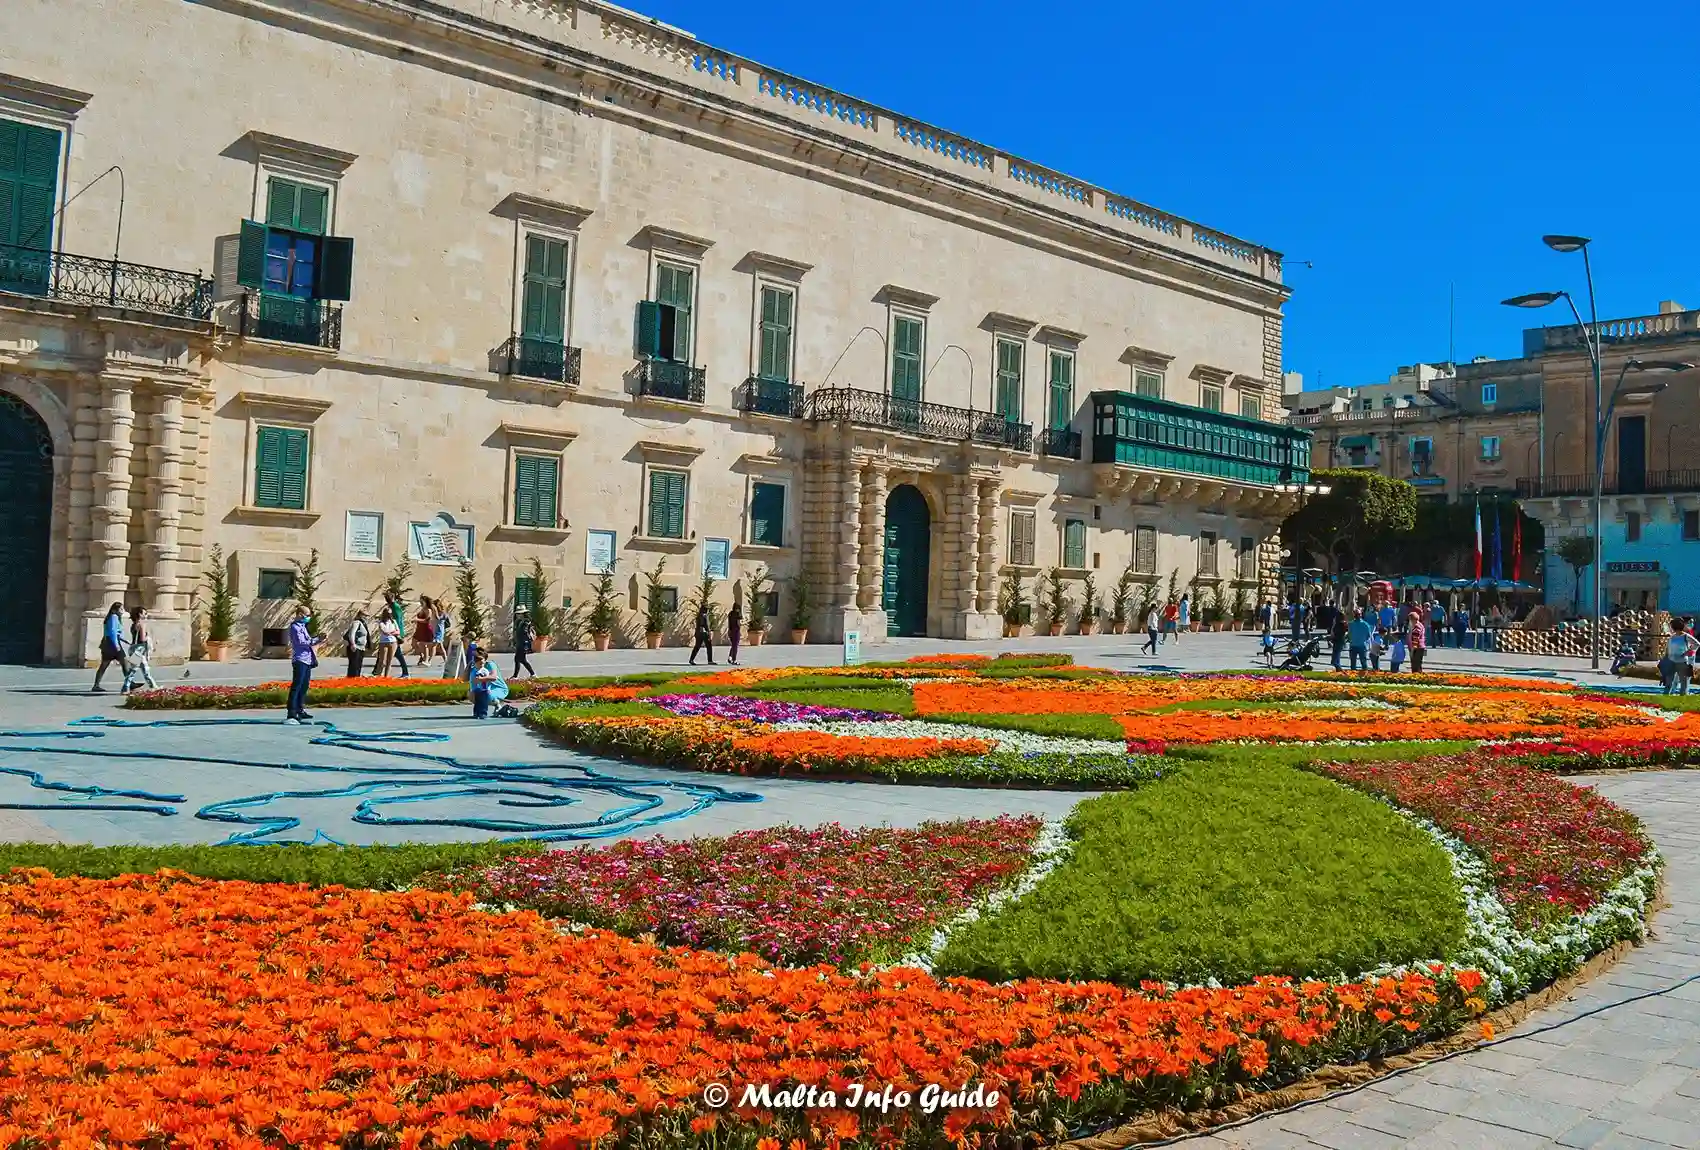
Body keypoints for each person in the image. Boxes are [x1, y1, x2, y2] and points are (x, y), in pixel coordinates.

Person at [284, 605, 319, 724]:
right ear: (299, 614)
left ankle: (300, 709)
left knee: (304, 686)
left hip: (307, 660)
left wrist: (317, 640)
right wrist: (316, 640)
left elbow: (308, 641)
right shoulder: (295, 627)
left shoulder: (303, 626)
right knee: (297, 686)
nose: (308, 618)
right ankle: (291, 713)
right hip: (300, 660)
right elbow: (301, 642)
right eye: (307, 615)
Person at [92, 602, 130, 693]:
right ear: (114, 610)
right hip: (112, 644)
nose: (122, 611)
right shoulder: (114, 617)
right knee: (124, 662)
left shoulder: (114, 617)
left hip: (108, 643)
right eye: (121, 609)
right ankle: (129, 682)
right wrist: (116, 645)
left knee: (104, 665)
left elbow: (115, 633)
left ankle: (96, 685)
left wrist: (125, 641)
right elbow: (113, 632)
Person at [467, 643, 510, 719]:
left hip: (497, 688)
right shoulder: (475, 667)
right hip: (484, 687)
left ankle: (496, 704)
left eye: (479, 658)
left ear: (484, 658)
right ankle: (477, 712)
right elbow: (464, 678)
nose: (477, 660)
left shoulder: (490, 665)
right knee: (472, 694)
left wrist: (481, 679)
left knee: (484, 695)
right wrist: (469, 665)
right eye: (475, 658)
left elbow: (493, 677)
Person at [124, 606, 159, 692]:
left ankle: (153, 686)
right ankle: (125, 688)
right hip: (139, 650)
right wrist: (149, 639)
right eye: (145, 613)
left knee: (142, 669)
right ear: (140, 614)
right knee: (135, 670)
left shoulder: (133, 625)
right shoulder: (142, 624)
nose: (146, 615)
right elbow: (142, 639)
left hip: (133, 648)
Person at [1666, 620, 1696, 697]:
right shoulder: (1672, 637)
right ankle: (1667, 697)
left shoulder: (1685, 636)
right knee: (1669, 681)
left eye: (1671, 626)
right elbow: (1668, 649)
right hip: (1671, 662)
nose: (1670, 628)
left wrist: (1687, 652)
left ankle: (1682, 698)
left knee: (1683, 683)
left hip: (1682, 662)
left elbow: (1696, 644)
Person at [385, 592, 410, 678]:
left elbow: (398, 620)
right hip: (395, 631)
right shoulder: (391, 606)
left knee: (397, 653)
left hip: (396, 632)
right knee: (396, 653)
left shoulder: (395, 606)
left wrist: (398, 632)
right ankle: (405, 672)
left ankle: (405, 672)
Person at [343, 611, 372, 678]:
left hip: (361, 647)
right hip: (356, 647)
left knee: (358, 666)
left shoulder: (363, 624)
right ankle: (351, 680)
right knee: (354, 666)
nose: (367, 617)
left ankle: (356, 680)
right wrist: (353, 644)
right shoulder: (356, 623)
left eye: (367, 616)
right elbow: (351, 634)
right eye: (365, 615)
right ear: (360, 615)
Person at [512, 605, 536, 679]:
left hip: (524, 643)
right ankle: (516, 676)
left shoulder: (526, 621)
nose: (518, 615)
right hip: (520, 642)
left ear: (524, 613)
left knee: (521, 659)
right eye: (517, 613)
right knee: (518, 659)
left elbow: (524, 632)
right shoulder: (519, 621)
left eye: (520, 613)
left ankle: (533, 674)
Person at [375, 610, 400, 676]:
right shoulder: (381, 622)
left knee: (389, 661)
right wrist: (392, 632)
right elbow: (384, 631)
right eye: (388, 613)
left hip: (393, 642)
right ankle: (378, 675)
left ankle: (386, 677)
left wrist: (391, 633)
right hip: (383, 642)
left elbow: (398, 632)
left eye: (390, 613)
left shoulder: (393, 621)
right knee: (382, 661)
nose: (389, 615)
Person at [689, 601, 714, 665]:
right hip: (704, 633)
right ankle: (710, 660)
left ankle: (691, 659)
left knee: (697, 646)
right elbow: (707, 625)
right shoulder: (705, 615)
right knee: (709, 646)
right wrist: (709, 633)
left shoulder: (699, 615)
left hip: (698, 632)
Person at [1348, 609, 1373, 673]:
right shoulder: (1350, 624)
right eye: (1356, 614)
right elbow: (1349, 634)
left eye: (1358, 614)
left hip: (1362, 646)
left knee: (1363, 663)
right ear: (1354, 615)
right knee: (1353, 663)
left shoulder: (1365, 624)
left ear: (1361, 615)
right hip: (1353, 646)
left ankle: (1365, 675)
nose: (1357, 615)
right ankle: (1352, 676)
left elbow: (1368, 635)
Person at [413, 597, 436, 666]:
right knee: (414, 643)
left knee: (423, 644)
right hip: (419, 629)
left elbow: (427, 620)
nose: (420, 603)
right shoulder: (422, 609)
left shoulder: (429, 610)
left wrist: (417, 620)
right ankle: (422, 656)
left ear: (426, 602)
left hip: (425, 629)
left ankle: (426, 660)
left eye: (422, 602)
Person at [726, 598, 744, 666]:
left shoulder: (730, 614)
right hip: (736, 631)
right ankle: (734, 660)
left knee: (733, 645)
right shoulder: (737, 614)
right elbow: (739, 623)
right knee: (735, 646)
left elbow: (729, 623)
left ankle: (730, 657)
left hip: (730, 631)